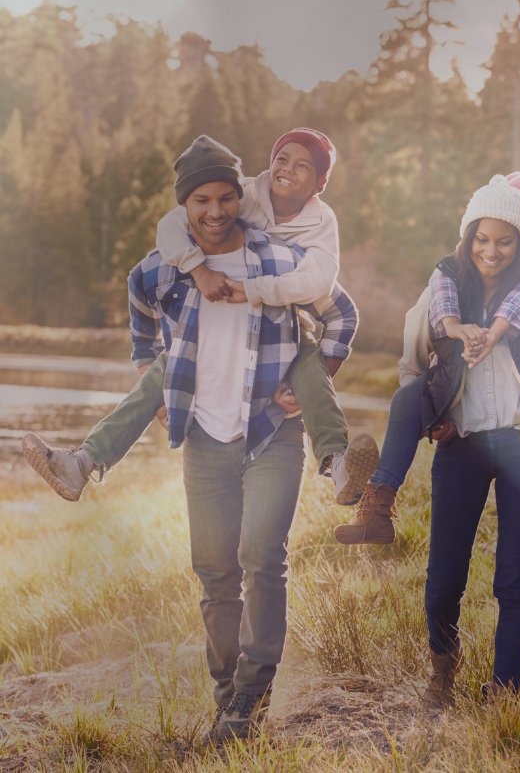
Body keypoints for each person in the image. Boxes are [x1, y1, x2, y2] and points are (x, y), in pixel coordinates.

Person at [47, 141, 357, 743]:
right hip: (205, 437)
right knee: (214, 571)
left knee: (262, 559)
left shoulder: (276, 258)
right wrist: (147, 370)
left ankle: (252, 689)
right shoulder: (169, 263)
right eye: (201, 200)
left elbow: (341, 309)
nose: (214, 211)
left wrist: (323, 371)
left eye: (225, 198)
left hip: (270, 432)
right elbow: (138, 299)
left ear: (242, 198)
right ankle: (230, 701)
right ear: (183, 206)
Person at [22, 130, 378, 508]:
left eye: (303, 165)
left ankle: (337, 464)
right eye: (282, 158)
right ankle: (82, 462)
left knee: (308, 365)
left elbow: (326, 287)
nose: (287, 169)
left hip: (284, 326)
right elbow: (171, 227)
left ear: (321, 183)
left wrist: (306, 381)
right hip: (210, 326)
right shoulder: (240, 195)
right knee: (166, 368)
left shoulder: (315, 230)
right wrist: (197, 270)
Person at [357, 175, 520, 703]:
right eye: (483, 239)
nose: (493, 250)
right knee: (445, 576)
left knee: (515, 579)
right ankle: (443, 670)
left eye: (507, 239)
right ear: (469, 237)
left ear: (519, 242)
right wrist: (431, 417)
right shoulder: (441, 293)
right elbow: (410, 369)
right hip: (461, 447)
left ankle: (505, 689)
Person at [335, 171, 520, 545]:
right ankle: (378, 501)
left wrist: (492, 334)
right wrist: (437, 408)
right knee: (406, 398)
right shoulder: (454, 271)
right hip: (464, 417)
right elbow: (419, 347)